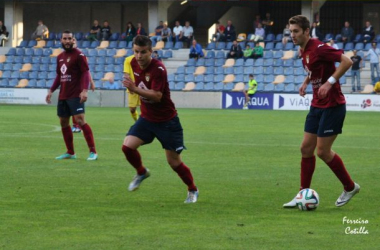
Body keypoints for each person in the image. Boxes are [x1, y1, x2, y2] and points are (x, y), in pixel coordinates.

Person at [283, 15, 359, 209]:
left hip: (333, 106)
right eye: (290, 31)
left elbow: (347, 61)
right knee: (305, 149)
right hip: (317, 104)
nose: (292, 35)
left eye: (296, 31)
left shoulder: (319, 47)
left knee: (323, 151)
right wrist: (306, 82)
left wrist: (329, 82)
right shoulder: (303, 50)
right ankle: (302, 194)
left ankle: (350, 187)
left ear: (306, 31)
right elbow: (313, 68)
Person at [121, 35, 198, 203]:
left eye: (143, 52)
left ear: (151, 52)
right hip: (147, 119)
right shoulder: (133, 63)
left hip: (167, 121)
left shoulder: (159, 69)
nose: (139, 56)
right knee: (127, 147)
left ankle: (192, 189)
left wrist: (134, 88)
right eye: (136, 52)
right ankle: (141, 172)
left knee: (174, 162)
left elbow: (156, 96)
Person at [45, 30, 98, 161]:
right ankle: (70, 152)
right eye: (65, 38)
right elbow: (59, 76)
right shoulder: (60, 57)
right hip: (63, 95)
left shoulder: (79, 55)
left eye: (69, 38)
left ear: (73, 40)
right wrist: (51, 90)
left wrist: (84, 90)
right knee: (63, 122)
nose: (67, 41)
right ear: (61, 40)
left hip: (76, 94)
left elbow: (85, 72)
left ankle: (93, 152)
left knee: (80, 120)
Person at [71, 38, 95, 133]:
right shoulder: (66, 56)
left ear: (76, 43)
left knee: (77, 105)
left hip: (79, 85)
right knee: (72, 106)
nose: (72, 43)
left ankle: (78, 125)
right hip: (71, 85)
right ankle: (75, 125)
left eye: (73, 41)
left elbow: (87, 71)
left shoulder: (81, 56)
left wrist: (91, 82)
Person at [124, 55, 141, 122]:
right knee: (132, 109)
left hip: (143, 87)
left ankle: (142, 125)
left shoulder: (145, 59)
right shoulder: (128, 59)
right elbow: (126, 74)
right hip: (132, 87)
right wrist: (130, 86)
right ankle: (137, 121)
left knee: (144, 108)